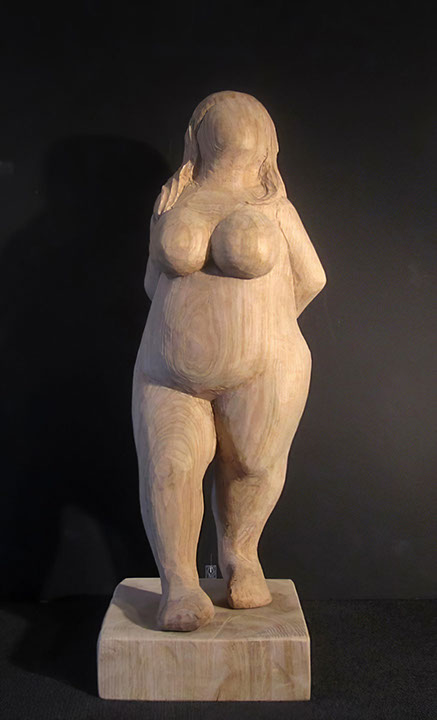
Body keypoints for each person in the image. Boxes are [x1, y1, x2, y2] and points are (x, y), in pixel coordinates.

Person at [132, 90, 326, 631]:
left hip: (267, 368)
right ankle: (180, 584)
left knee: (253, 464)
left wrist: (263, 328)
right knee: (169, 468)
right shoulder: (173, 201)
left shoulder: (275, 207)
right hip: (168, 373)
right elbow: (153, 283)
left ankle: (240, 555)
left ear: (266, 141)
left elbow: (311, 278)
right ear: (197, 135)